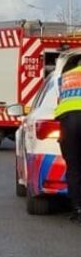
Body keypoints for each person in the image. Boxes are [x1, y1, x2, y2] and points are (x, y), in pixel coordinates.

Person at [55, 54, 81, 222]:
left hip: (68, 122)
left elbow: (59, 100)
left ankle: (78, 209)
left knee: (74, 167)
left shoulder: (65, 77)